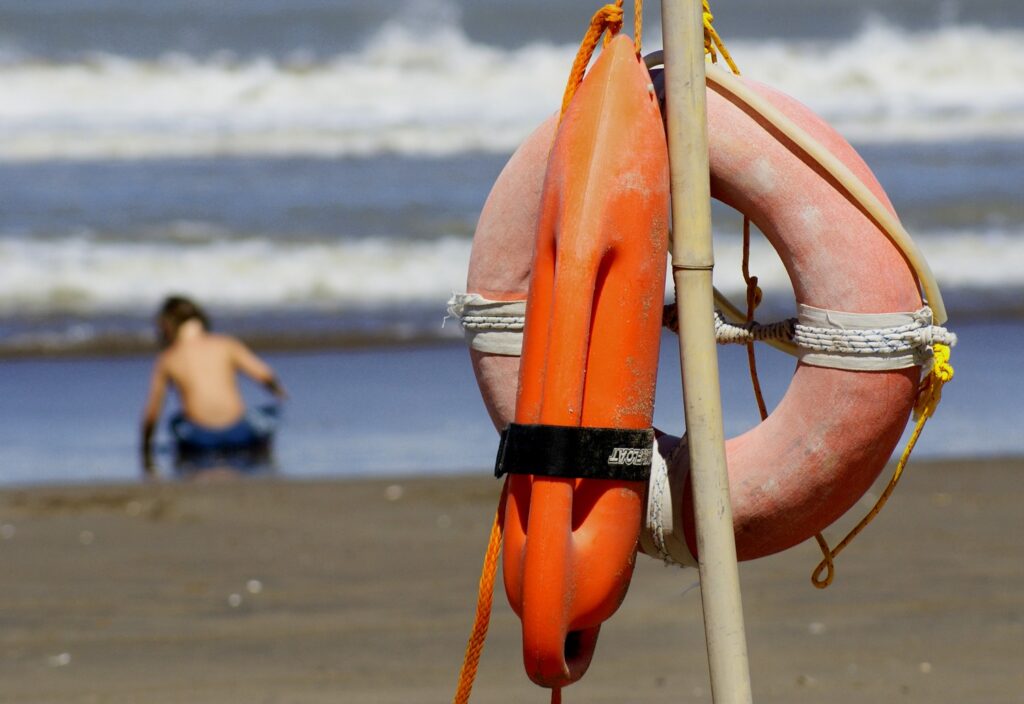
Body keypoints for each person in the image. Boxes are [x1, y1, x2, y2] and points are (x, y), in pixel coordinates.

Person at [140, 296, 287, 476]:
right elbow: (264, 374)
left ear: (167, 327)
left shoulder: (169, 358)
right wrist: (278, 391)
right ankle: (260, 453)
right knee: (265, 415)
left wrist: (145, 448)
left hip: (200, 438)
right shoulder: (226, 344)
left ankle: (191, 460)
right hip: (240, 432)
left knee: (176, 422)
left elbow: (152, 413)